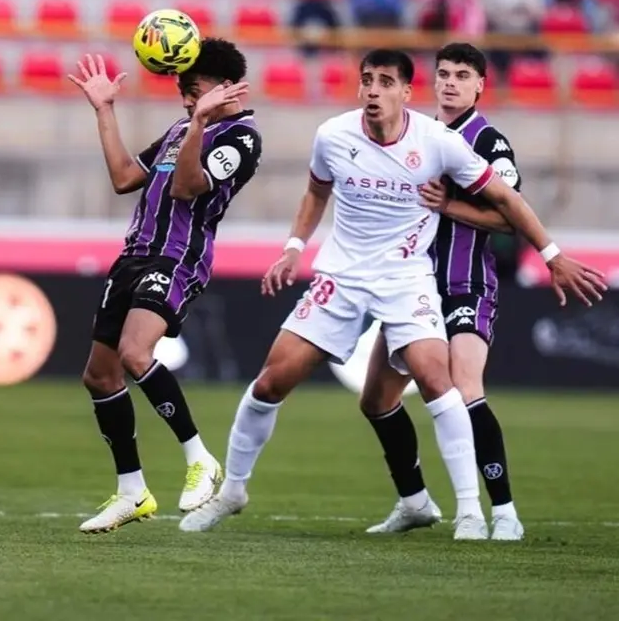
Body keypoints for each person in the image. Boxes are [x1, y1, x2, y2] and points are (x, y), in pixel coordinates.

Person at [179, 49, 606, 539]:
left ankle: (473, 510)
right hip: (342, 277)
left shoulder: (441, 143)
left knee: (438, 380)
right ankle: (233, 491)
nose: (374, 90)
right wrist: (294, 247)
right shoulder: (333, 135)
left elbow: (508, 200)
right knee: (272, 382)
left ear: (406, 92)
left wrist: (552, 256)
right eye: (367, 81)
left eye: (386, 82)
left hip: (408, 279)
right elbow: (317, 192)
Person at [67, 41, 262, 533]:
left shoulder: (241, 138)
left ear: (222, 88)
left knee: (136, 353)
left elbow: (186, 187)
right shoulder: (180, 128)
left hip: (178, 258)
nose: (185, 103)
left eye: (193, 92)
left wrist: (200, 123)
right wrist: (105, 111)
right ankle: (132, 491)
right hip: (134, 255)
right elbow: (123, 177)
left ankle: (201, 459)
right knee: (99, 375)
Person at [361, 43, 525, 540]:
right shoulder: (413, 135)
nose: (450, 82)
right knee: (376, 400)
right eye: (443, 74)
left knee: (464, 387)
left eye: (461, 75)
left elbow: (510, 215)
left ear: (480, 85)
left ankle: (503, 513)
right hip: (411, 288)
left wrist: (449, 206)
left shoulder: (489, 143)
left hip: (465, 283)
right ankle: (414, 502)